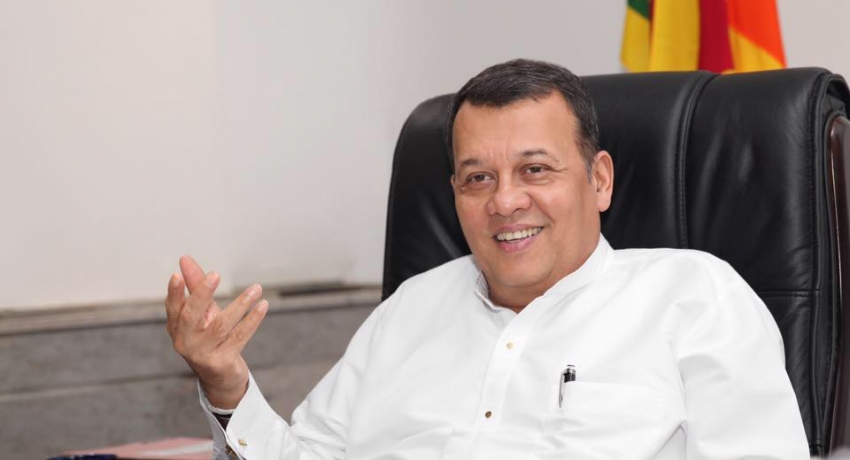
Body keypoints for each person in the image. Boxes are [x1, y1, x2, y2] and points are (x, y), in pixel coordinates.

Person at [164, 59, 810, 459]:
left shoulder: (694, 296)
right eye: (478, 178)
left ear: (600, 180)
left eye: (535, 170)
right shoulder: (412, 308)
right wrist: (226, 385)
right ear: (454, 195)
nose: (505, 201)